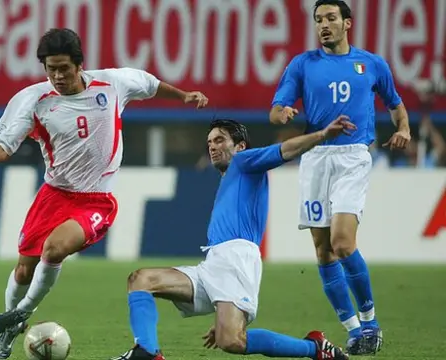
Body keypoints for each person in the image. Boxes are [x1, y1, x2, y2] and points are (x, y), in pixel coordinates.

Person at [0, 28, 209, 360]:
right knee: (24, 270)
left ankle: (22, 313)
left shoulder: (112, 84)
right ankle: (10, 327)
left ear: (79, 65)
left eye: (64, 68)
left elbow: (150, 85)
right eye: (50, 69)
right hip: (54, 195)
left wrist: (182, 96)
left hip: (95, 199)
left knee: (55, 248)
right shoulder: (34, 100)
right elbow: (2, 149)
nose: (58, 76)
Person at [110, 118, 354, 360]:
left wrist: (322, 135)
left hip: (237, 259)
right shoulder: (230, 176)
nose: (212, 146)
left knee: (232, 340)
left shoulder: (244, 160)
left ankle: (315, 348)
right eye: (209, 142)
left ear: (240, 146)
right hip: (213, 264)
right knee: (141, 279)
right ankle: (148, 352)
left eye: (219, 140)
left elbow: (286, 150)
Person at [269, 0, 411, 355]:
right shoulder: (302, 64)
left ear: (347, 23)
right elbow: (274, 111)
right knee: (323, 252)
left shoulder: (372, 63)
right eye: (318, 20)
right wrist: (282, 113)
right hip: (315, 157)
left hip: (353, 158)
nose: (324, 25)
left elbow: (395, 103)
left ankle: (371, 323)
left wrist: (404, 128)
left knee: (343, 242)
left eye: (331, 18)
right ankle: (352, 329)